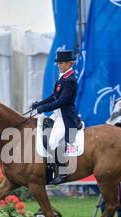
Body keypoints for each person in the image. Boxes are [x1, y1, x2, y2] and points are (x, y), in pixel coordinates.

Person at [31, 50, 82, 185]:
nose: (58, 65)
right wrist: (39, 103)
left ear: (69, 63)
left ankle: (63, 171)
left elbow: (62, 101)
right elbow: (54, 96)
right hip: (57, 114)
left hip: (65, 117)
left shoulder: (70, 80)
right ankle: (48, 168)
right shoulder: (62, 77)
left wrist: (44, 108)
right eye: (58, 63)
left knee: (53, 142)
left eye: (61, 63)